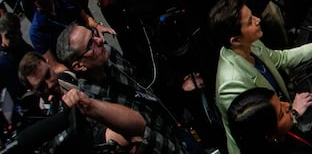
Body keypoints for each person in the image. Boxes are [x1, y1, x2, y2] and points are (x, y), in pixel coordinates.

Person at [208, 0, 312, 154]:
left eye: (252, 15)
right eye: (249, 22)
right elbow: (261, 132)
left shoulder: (250, 43)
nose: (258, 20)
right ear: (235, 40)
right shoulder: (231, 85)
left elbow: (280, 58)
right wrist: (293, 112)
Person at [54, 23, 196, 153]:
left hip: (172, 126)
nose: (100, 40)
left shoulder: (109, 54)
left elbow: (141, 84)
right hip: (161, 146)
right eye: (91, 44)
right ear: (79, 66)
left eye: (93, 34)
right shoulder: (91, 104)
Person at [16, 51, 147, 153]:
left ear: (48, 63)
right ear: (31, 90)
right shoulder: (49, 120)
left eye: (48, 75)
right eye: (41, 86)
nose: (49, 85)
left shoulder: (68, 76)